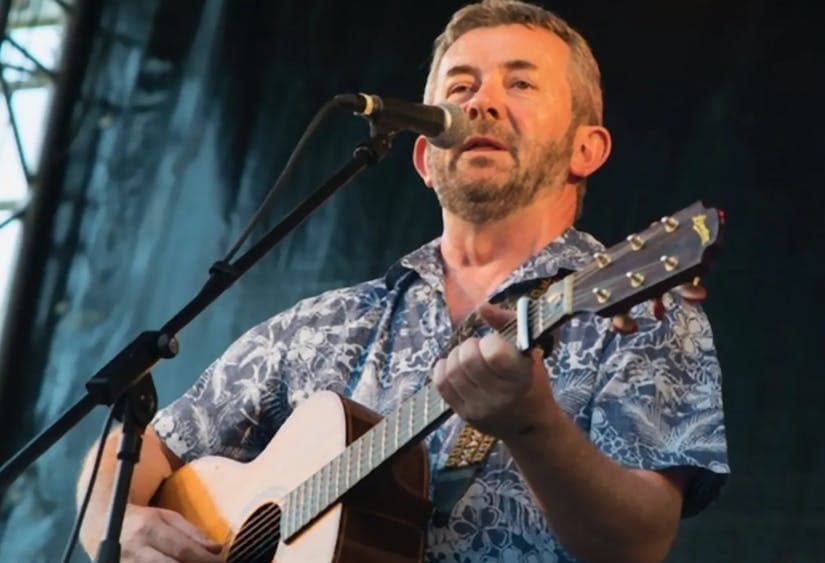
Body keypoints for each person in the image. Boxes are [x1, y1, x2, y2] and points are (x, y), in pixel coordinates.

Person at [77, 1, 729, 561]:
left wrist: (534, 426)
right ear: (423, 154)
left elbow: (639, 543)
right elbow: (128, 454)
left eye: (521, 84)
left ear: (587, 149)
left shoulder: (647, 308)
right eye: (460, 86)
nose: (483, 103)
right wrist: (124, 521)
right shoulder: (325, 324)